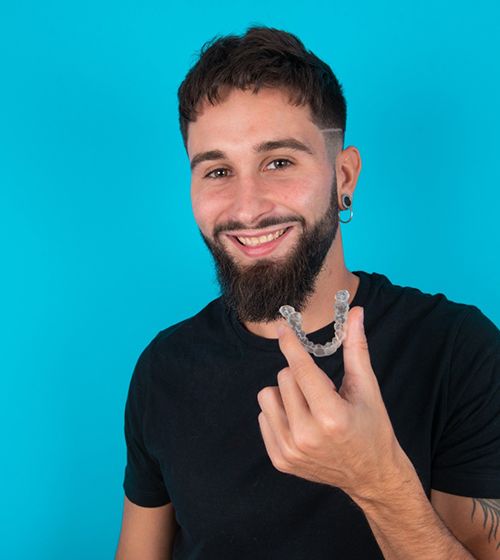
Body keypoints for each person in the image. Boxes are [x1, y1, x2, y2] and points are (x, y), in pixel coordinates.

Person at [115, 27, 500, 559]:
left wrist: (376, 481)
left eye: (279, 162)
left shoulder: (458, 350)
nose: (246, 208)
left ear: (344, 176)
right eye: (218, 170)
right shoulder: (163, 368)